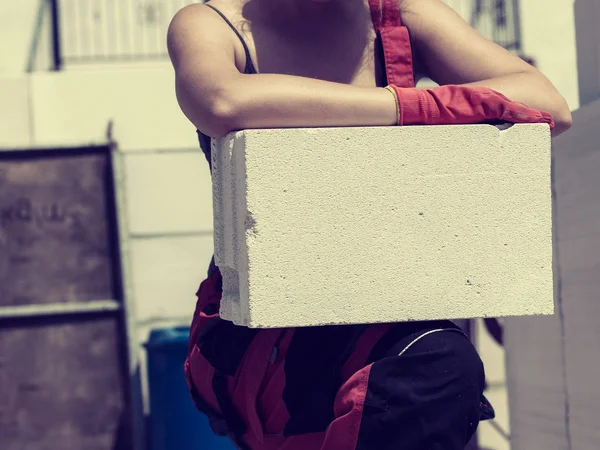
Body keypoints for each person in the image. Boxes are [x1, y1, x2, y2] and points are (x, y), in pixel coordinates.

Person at [167, 1, 572, 449]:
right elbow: (222, 102)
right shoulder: (211, 24)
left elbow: (549, 105)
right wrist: (416, 108)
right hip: (267, 331)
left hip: (391, 313)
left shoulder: (402, 16)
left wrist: (405, 108)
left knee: (439, 369)